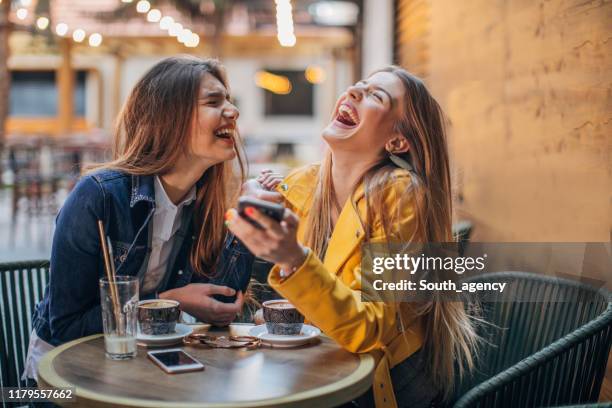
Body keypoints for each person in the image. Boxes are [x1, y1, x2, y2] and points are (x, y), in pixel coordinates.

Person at [227, 66, 479, 407]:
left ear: (397, 141)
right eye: (358, 86)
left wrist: (293, 260)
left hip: (383, 380)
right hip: (327, 362)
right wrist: (248, 200)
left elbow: (371, 328)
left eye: (376, 95)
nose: (354, 92)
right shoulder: (303, 184)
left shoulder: (400, 194)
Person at [24, 56, 253, 382]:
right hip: (64, 380)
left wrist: (249, 219)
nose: (233, 110)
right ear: (167, 116)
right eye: (214, 102)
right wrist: (166, 302)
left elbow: (222, 304)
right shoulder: (99, 196)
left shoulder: (204, 202)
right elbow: (66, 326)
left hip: (142, 370)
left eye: (229, 100)